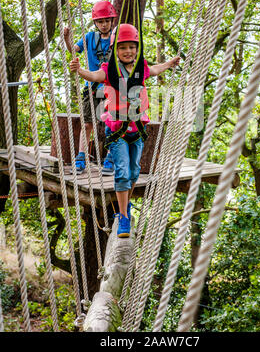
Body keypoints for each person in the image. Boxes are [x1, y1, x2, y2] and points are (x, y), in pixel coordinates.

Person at [70, 23, 180, 238]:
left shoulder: (141, 67)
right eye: (123, 48)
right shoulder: (109, 69)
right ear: (115, 50)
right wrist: (79, 70)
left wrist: (170, 63)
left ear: (137, 48)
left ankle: (125, 206)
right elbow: (93, 77)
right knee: (122, 173)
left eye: (132, 47)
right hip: (117, 131)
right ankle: (123, 217)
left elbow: (155, 69)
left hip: (137, 130)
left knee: (133, 172)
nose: (128, 52)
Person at [64, 0, 116, 175]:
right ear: (95, 23)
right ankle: (80, 158)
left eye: (107, 21)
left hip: (112, 87)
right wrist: (66, 39)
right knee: (87, 124)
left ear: (111, 21)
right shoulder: (89, 38)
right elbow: (74, 50)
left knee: (113, 124)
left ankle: (110, 158)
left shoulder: (117, 39)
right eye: (100, 21)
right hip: (92, 86)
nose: (104, 25)